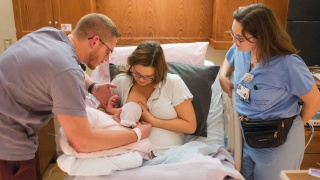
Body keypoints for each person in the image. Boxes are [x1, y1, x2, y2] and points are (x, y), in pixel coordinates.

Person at [0, 13, 151, 179]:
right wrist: (137, 134)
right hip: (7, 144)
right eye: (108, 51)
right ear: (94, 41)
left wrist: (93, 87)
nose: (107, 58)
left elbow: (67, 67)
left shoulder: (49, 35)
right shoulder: (66, 72)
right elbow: (82, 142)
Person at [219, 4, 320, 180]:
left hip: (277, 143)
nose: (235, 41)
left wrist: (291, 128)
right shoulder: (241, 50)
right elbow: (230, 58)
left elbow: (315, 101)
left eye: (240, 38)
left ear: (261, 36)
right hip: (246, 136)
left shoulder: (287, 65)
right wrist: (223, 75)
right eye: (233, 34)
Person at [108, 41, 197, 158]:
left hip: (165, 156)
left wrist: (153, 121)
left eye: (148, 76)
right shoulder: (122, 81)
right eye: (137, 73)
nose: (141, 79)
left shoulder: (173, 83)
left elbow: (190, 126)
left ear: (158, 72)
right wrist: (113, 114)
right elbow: (100, 112)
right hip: (128, 153)